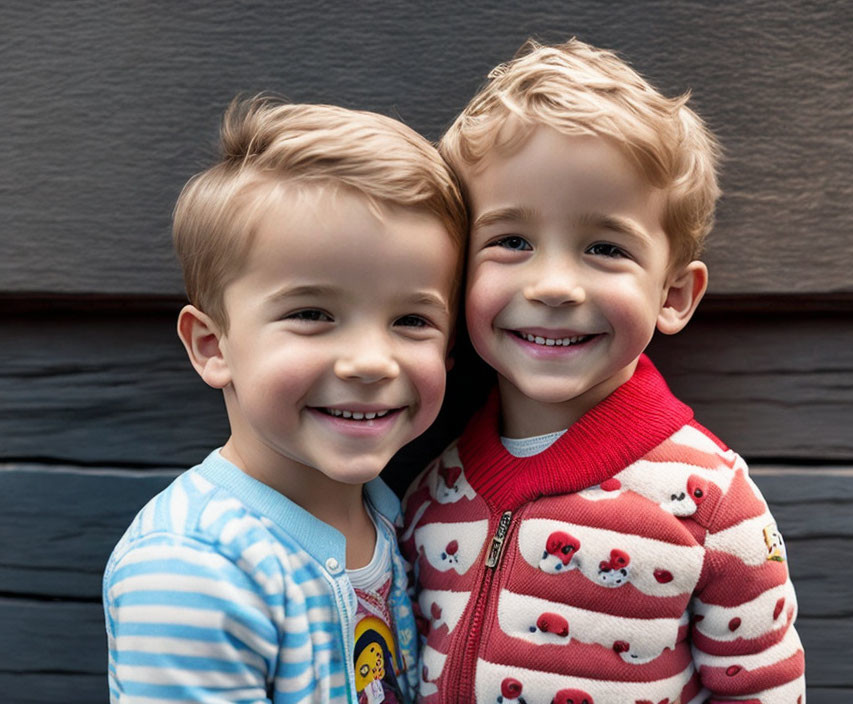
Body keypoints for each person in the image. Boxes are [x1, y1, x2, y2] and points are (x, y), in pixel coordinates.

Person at [401, 39, 805, 703]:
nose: (555, 284)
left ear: (673, 294)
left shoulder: (710, 503)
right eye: (511, 241)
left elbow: (764, 687)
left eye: (604, 247)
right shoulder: (431, 495)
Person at [103, 96, 466, 703]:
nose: (372, 361)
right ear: (214, 345)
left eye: (411, 320)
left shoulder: (393, 515)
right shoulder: (193, 567)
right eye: (312, 314)